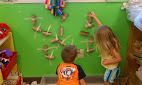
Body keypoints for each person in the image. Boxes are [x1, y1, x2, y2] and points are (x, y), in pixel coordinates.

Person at [89, 12, 122, 85]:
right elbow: (101, 27)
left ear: (103, 39)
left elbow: (119, 58)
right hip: (109, 66)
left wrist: (108, 62)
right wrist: (94, 17)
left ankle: (110, 81)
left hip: (112, 67)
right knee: (107, 79)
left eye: (98, 37)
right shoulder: (107, 39)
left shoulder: (110, 47)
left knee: (108, 80)